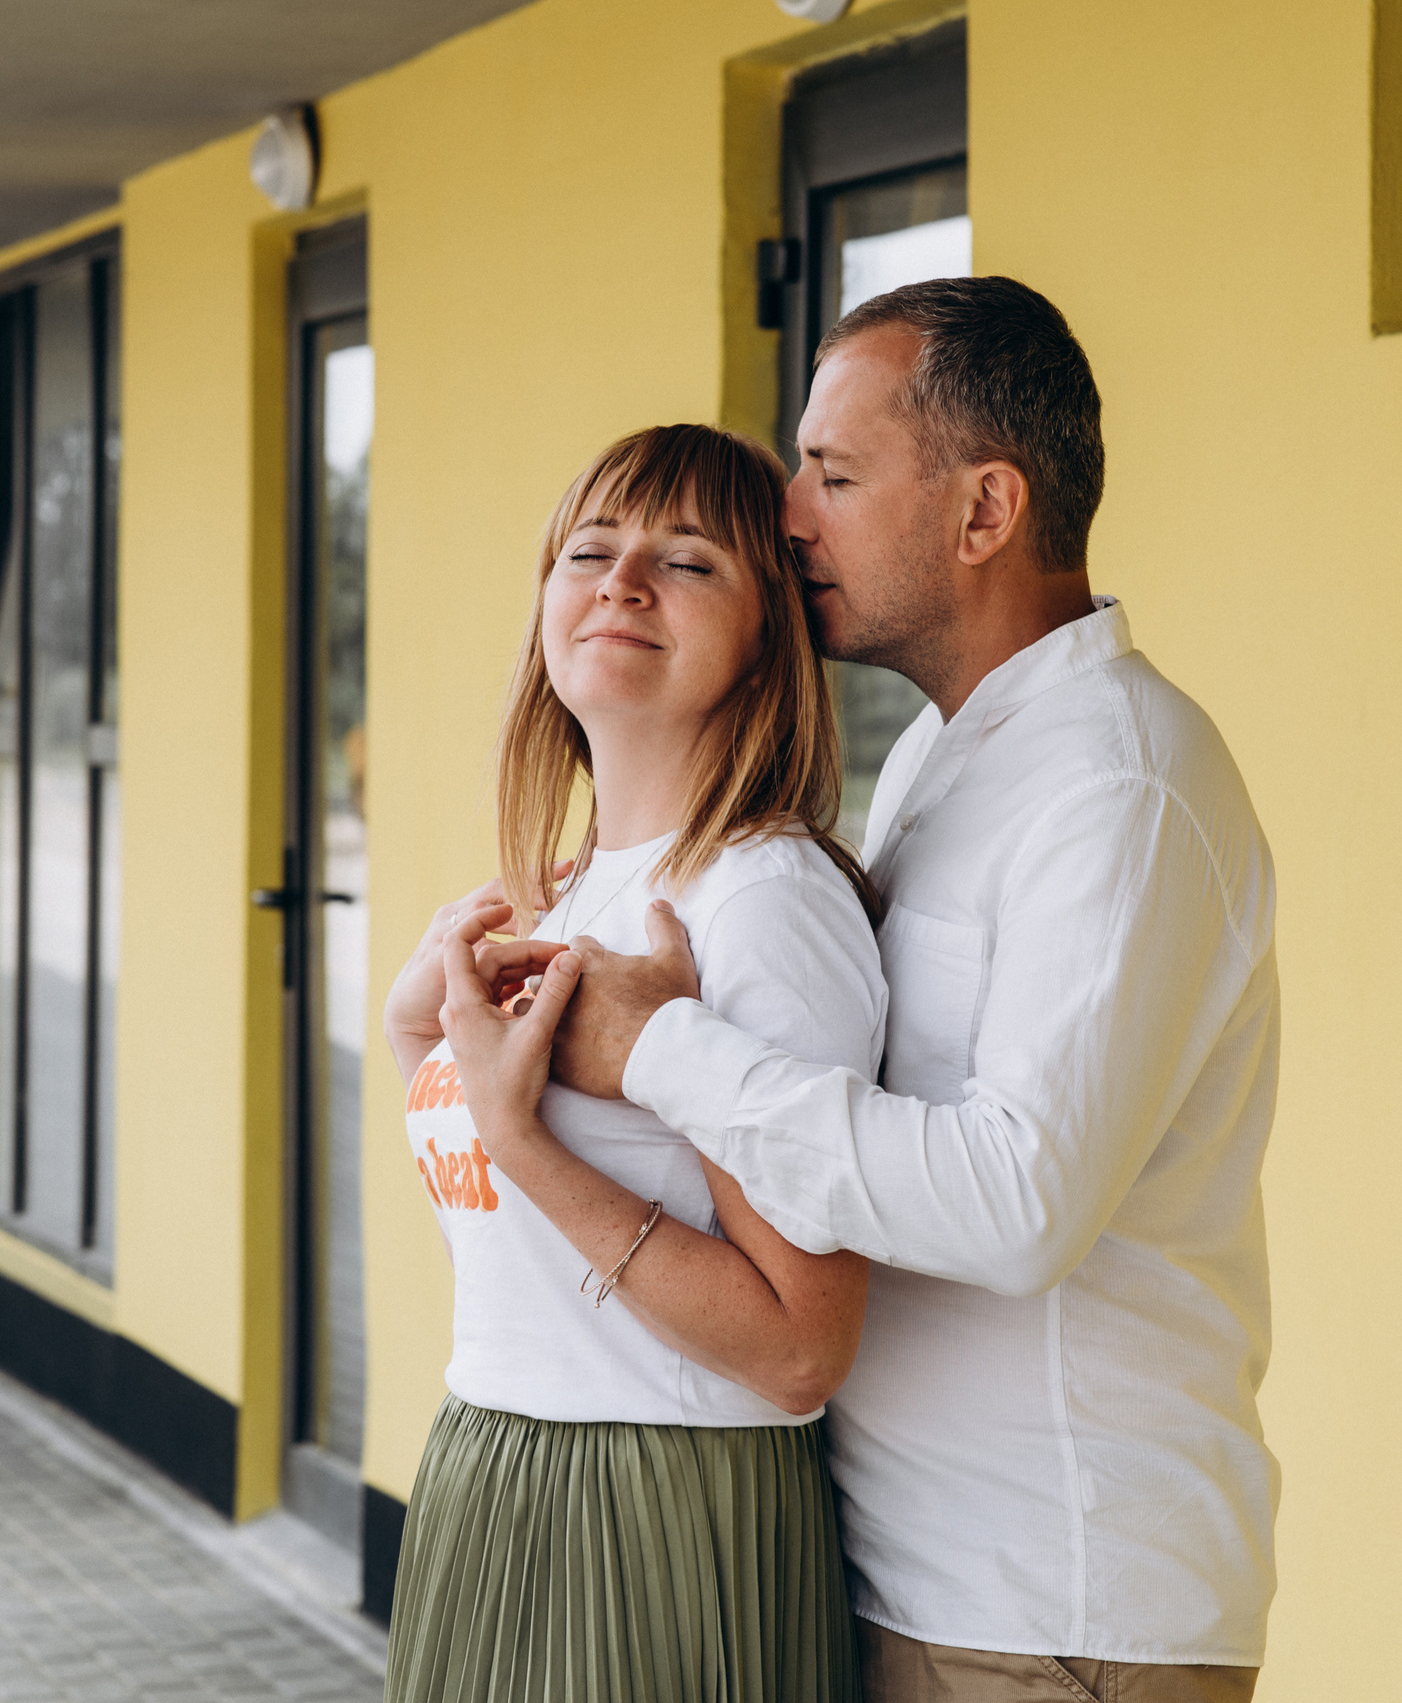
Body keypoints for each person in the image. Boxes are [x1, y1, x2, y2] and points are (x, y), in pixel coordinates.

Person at [548, 278, 1282, 1702]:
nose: (791, 516)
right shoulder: (956, 758)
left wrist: (659, 1049)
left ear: (984, 509)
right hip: (928, 1578)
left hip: (1055, 1610)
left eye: (833, 473)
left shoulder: (1117, 780)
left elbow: (1017, 1204)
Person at [377, 422, 888, 1702]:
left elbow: (794, 1349)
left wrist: (523, 1135)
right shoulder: (554, 892)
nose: (620, 582)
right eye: (591, 550)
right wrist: (414, 1045)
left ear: (770, 628)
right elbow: (524, 1263)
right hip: (490, 1466)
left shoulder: (760, 900)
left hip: (655, 1497)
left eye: (689, 560)